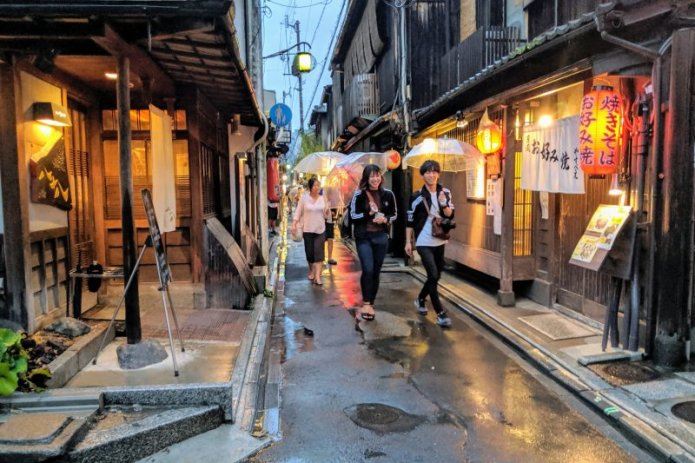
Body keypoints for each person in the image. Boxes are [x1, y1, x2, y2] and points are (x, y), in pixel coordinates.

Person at [405, 160, 454, 327]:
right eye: (427, 172)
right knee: (433, 275)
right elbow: (409, 221)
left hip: (439, 239)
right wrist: (408, 242)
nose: (431, 175)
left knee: (437, 275)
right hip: (423, 240)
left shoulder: (445, 192)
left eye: (434, 172)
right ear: (423, 175)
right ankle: (440, 313)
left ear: (438, 174)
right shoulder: (417, 196)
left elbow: (450, 214)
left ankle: (420, 298)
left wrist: (443, 203)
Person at [350, 164, 397, 321]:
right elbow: (353, 217)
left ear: (381, 177)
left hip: (381, 237)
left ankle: (371, 302)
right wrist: (369, 213)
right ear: (366, 178)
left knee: (376, 271)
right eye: (372, 176)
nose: (375, 179)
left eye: (377, 175)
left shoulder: (388, 195)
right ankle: (366, 303)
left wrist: (385, 219)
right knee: (368, 269)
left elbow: (395, 214)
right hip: (364, 237)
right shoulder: (359, 195)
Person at [291, 177, 330, 285]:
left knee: (319, 253)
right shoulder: (304, 198)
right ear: (310, 187)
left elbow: (326, 216)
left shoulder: (323, 198)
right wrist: (294, 223)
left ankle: (317, 276)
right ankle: (311, 269)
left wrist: (327, 210)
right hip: (307, 229)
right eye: (315, 185)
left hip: (320, 229)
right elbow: (298, 212)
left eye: (319, 185)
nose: (318, 187)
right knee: (309, 253)